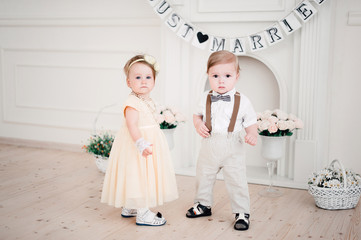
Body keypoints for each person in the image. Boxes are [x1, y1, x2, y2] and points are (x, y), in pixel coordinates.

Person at [101, 54, 178, 226]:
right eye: (138, 77)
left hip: (147, 143)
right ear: (129, 82)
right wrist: (140, 143)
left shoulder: (147, 100)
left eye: (148, 77)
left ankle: (130, 206)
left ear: (154, 81)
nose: (144, 81)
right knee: (141, 176)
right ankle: (142, 213)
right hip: (136, 145)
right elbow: (132, 125)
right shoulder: (132, 102)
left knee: (139, 175)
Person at [186, 50, 258, 231]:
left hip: (233, 144)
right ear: (208, 76)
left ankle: (242, 212)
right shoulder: (205, 97)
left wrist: (252, 134)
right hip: (210, 143)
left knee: (237, 179)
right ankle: (203, 204)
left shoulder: (243, 101)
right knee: (203, 175)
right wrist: (198, 124)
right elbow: (197, 115)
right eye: (215, 75)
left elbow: (251, 122)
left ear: (236, 76)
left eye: (227, 75)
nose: (221, 80)